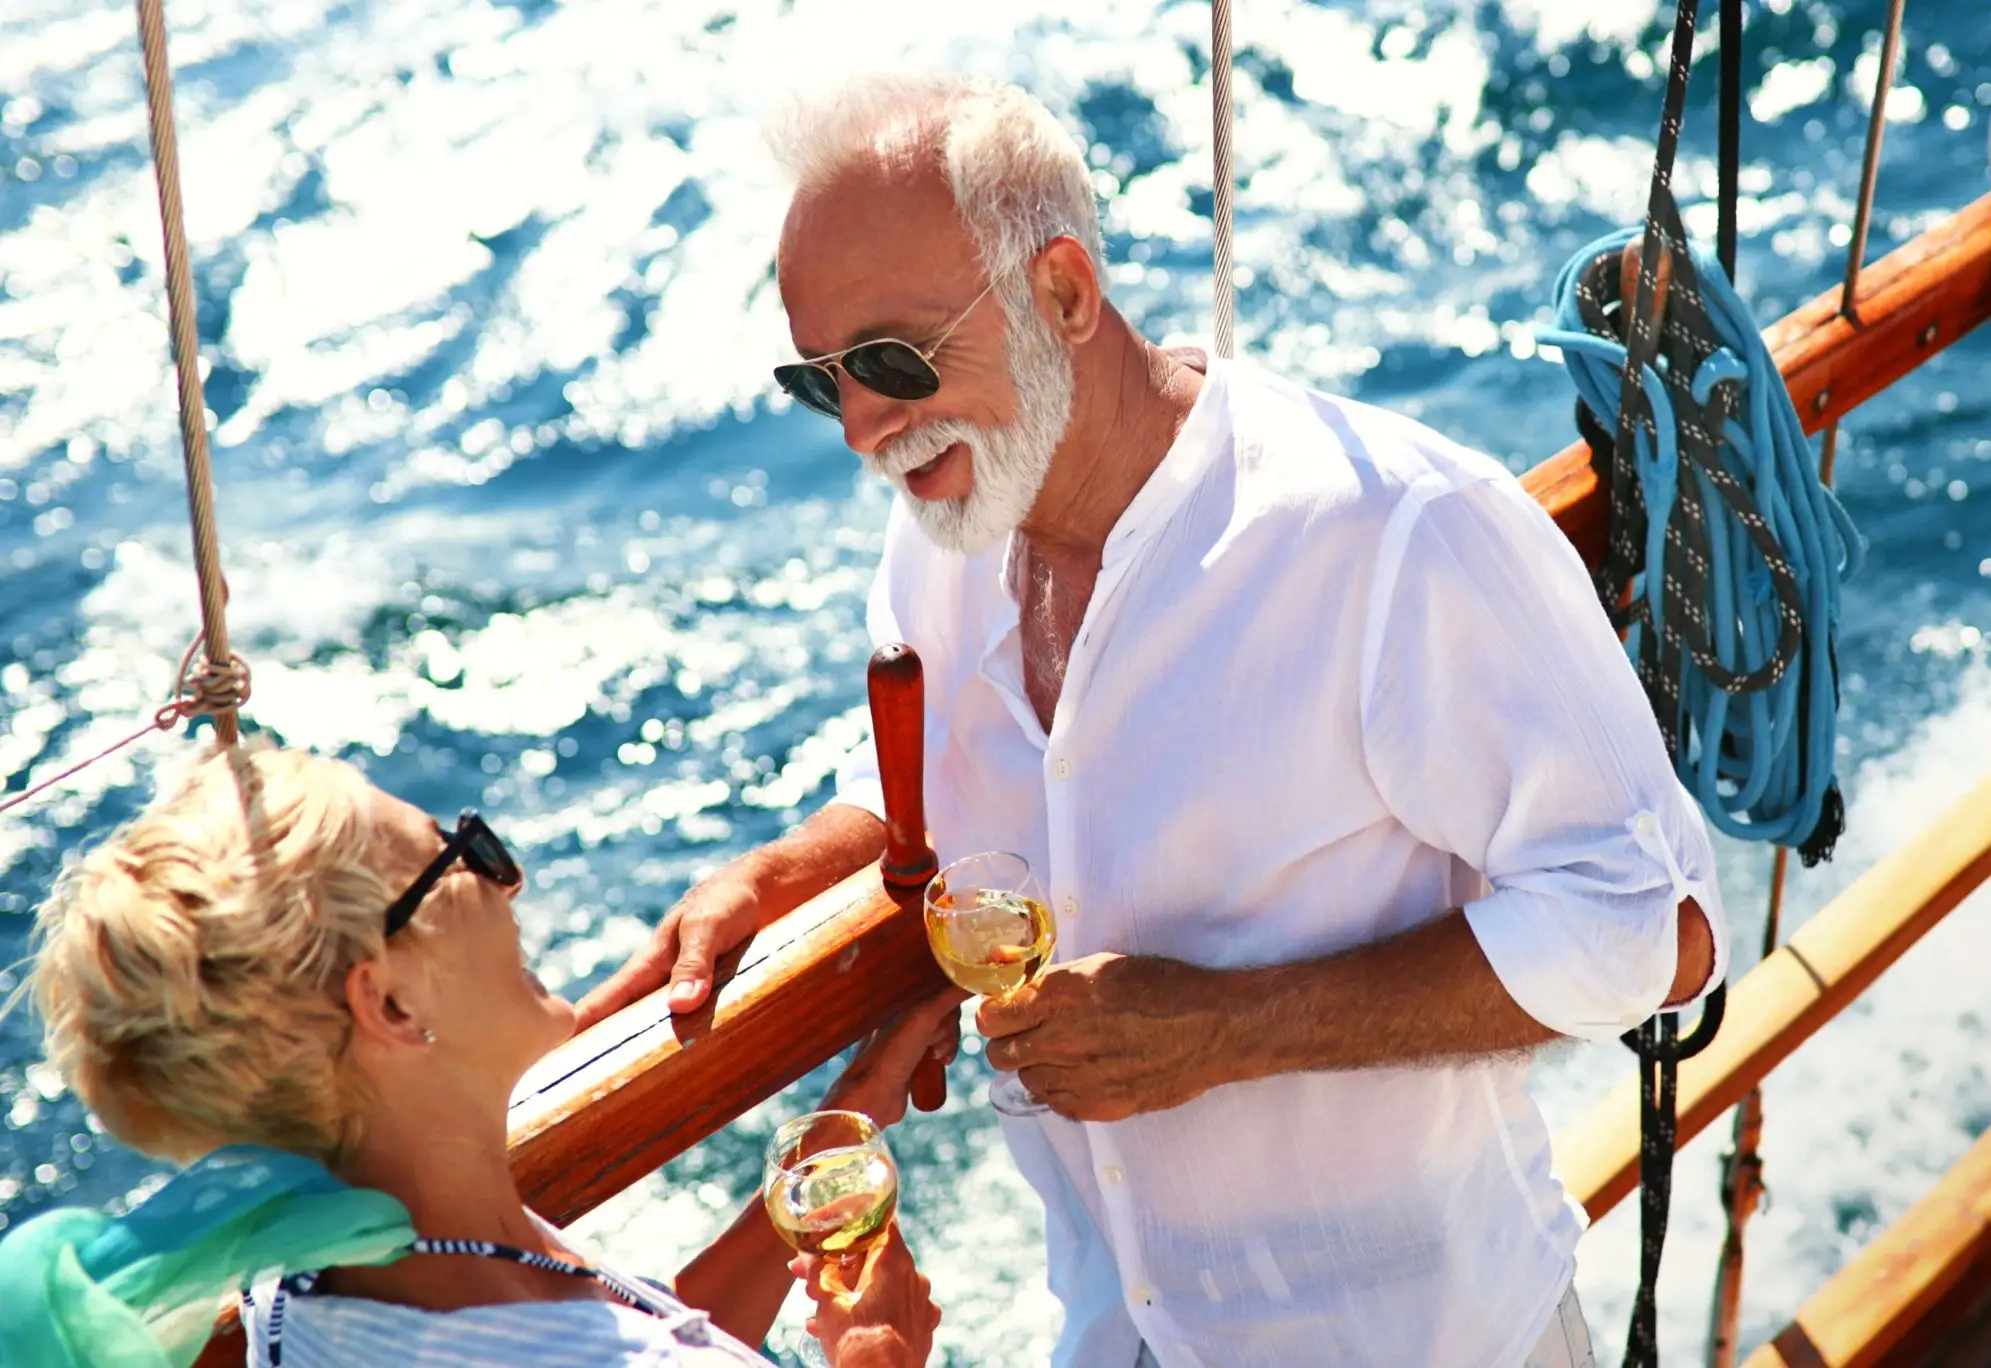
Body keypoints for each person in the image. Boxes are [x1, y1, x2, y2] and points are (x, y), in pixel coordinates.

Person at [579, 71, 1727, 1368]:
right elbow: (939, 745)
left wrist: (1232, 1029)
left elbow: (1656, 924)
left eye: (892, 361)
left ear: (1063, 293)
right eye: (822, 381)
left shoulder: (1397, 534)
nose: (860, 429)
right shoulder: (943, 538)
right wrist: (790, 869)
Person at [0, 741, 959, 1367]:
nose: (507, 879)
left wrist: (831, 1144)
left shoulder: (319, 1271)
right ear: (387, 998)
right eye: (456, 857)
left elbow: (631, 1330)